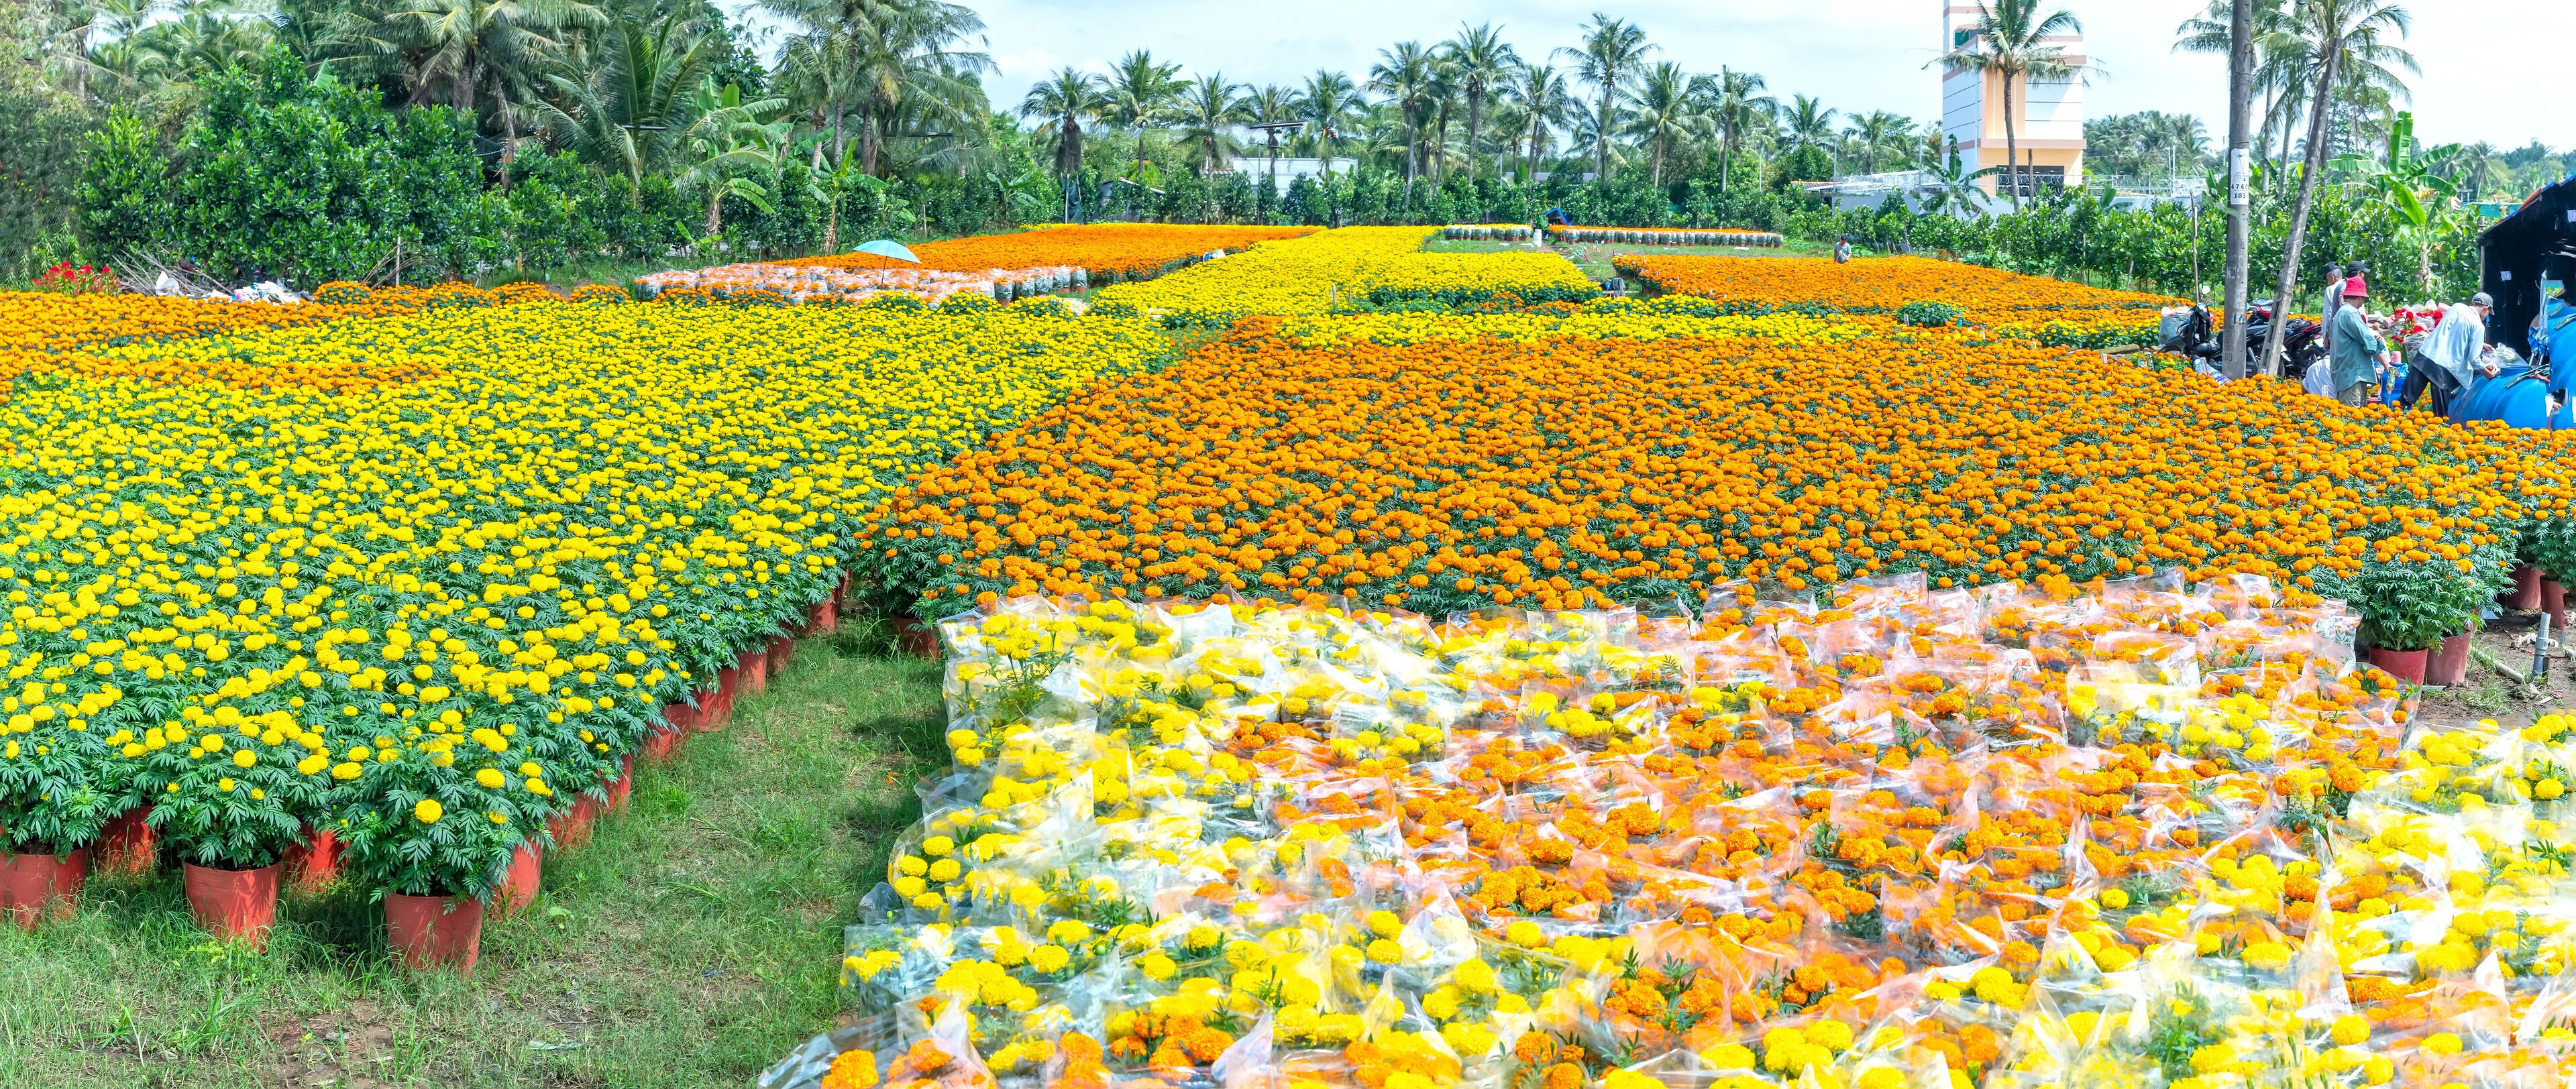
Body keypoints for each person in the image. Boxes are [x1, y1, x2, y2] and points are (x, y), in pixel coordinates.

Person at [2400, 292, 2495, 414]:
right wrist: (2489, 375)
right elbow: (2474, 359)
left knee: (2403, 403)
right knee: (2440, 416)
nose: (2487, 316)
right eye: (2488, 313)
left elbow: (2454, 330)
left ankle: (2387, 425)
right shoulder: (2478, 326)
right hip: (2443, 370)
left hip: (2425, 358)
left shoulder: (2457, 307)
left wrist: (2481, 344)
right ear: (2486, 308)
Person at [2327, 274, 2387, 407]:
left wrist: (2374, 338)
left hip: (2346, 374)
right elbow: (2369, 344)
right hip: (2352, 375)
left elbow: (2364, 338)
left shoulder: (2342, 313)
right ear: (2360, 297)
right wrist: (2386, 365)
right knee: (2351, 420)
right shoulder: (2350, 313)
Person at [2318, 261, 2350, 355]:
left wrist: (2327, 337)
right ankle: (2391, 370)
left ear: (2332, 277)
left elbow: (2329, 314)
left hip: (2336, 334)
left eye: (2328, 280)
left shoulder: (2331, 289)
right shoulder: (2350, 285)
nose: (2328, 283)